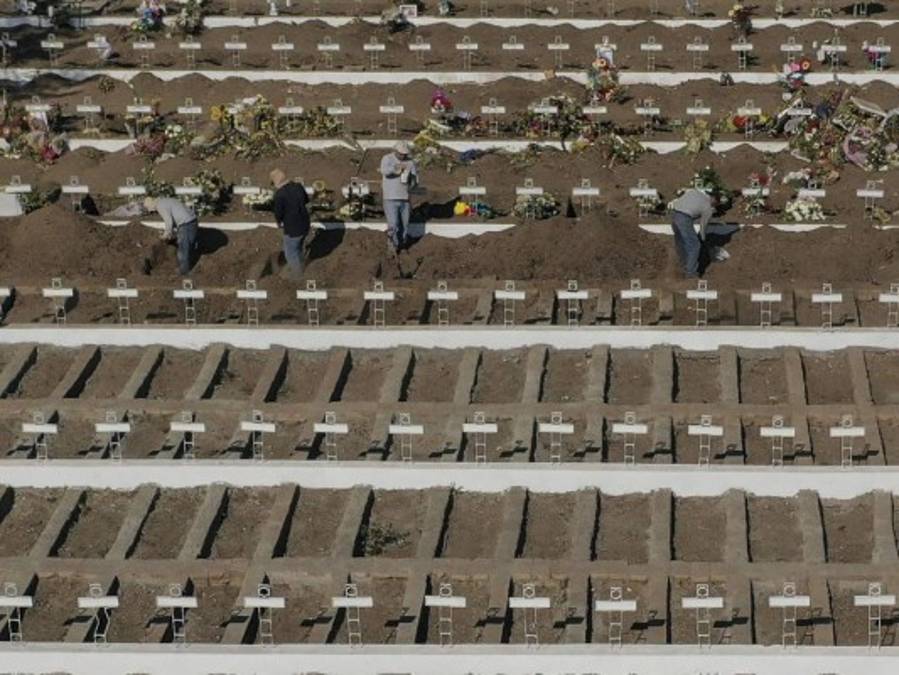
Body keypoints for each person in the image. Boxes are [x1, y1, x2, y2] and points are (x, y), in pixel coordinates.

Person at [669, 187, 736, 278]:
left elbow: (692, 208)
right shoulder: (708, 208)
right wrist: (702, 240)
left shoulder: (695, 193)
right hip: (684, 219)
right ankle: (691, 273)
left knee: (681, 243)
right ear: (715, 200)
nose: (716, 205)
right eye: (718, 203)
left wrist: (713, 220)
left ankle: (684, 266)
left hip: (674, 215)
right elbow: (702, 227)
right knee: (694, 246)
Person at [270, 169, 310, 279]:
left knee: (290, 252)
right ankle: (302, 266)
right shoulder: (298, 186)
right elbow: (306, 200)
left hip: (292, 228)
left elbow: (278, 213)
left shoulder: (280, 195)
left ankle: (298, 275)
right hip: (305, 223)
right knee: (298, 248)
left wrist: (279, 223)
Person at [144, 196, 198, 275]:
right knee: (188, 245)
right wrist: (170, 232)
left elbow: (168, 221)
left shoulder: (160, 205)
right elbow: (175, 217)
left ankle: (184, 271)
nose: (154, 212)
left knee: (182, 248)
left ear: (151, 206)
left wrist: (165, 235)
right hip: (192, 221)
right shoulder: (165, 201)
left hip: (186, 224)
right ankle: (189, 266)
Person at [379, 140, 418, 252]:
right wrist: (396, 168)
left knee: (404, 224)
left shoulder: (410, 162)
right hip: (390, 198)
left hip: (405, 198)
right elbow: (384, 171)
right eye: (401, 154)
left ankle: (402, 244)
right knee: (393, 224)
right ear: (395, 151)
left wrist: (412, 180)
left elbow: (414, 179)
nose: (402, 156)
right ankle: (392, 247)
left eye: (404, 154)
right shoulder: (387, 158)